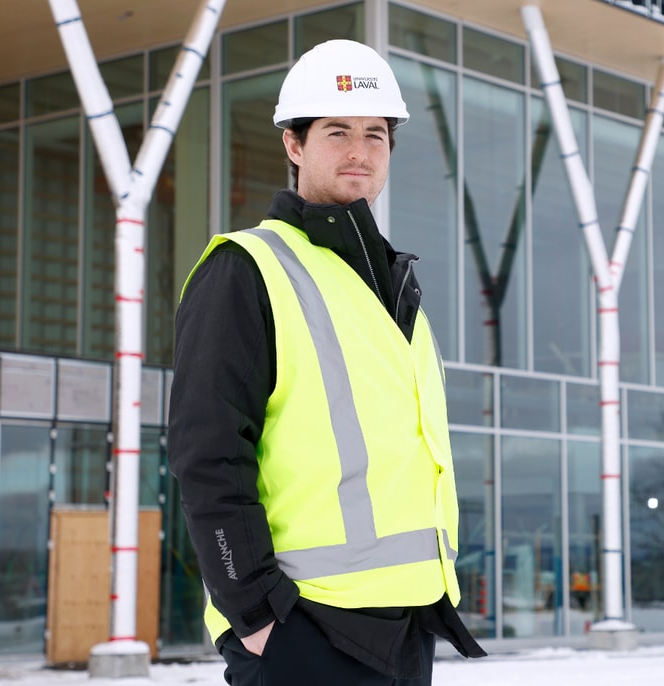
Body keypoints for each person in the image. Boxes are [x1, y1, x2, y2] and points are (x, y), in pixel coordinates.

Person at [167, 39, 485, 685]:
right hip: (303, 626)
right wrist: (253, 613)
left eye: (375, 134)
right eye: (337, 131)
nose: (359, 150)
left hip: (408, 624)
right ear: (294, 144)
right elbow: (208, 453)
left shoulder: (390, 284)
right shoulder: (246, 268)